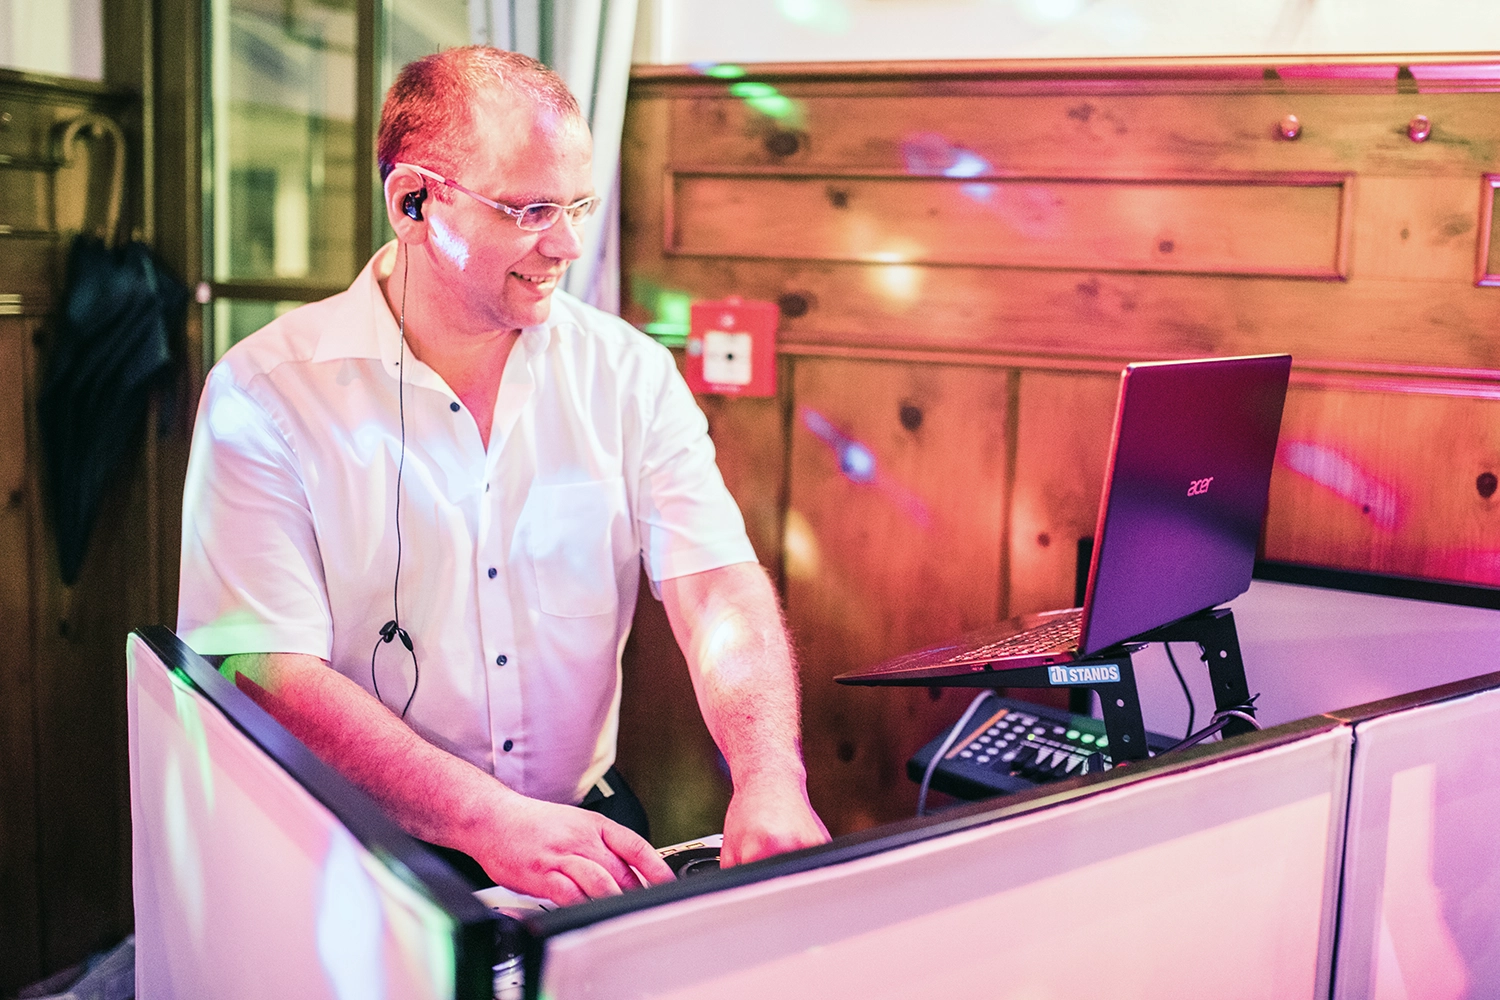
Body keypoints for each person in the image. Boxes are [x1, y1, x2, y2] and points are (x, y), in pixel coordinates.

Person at [176, 46, 828, 906]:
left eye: (577, 205)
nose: (565, 244)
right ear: (413, 202)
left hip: (578, 823)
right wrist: (485, 820)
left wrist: (769, 772)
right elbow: (265, 666)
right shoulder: (263, 395)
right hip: (362, 847)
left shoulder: (628, 374)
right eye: (529, 210)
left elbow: (716, 587)